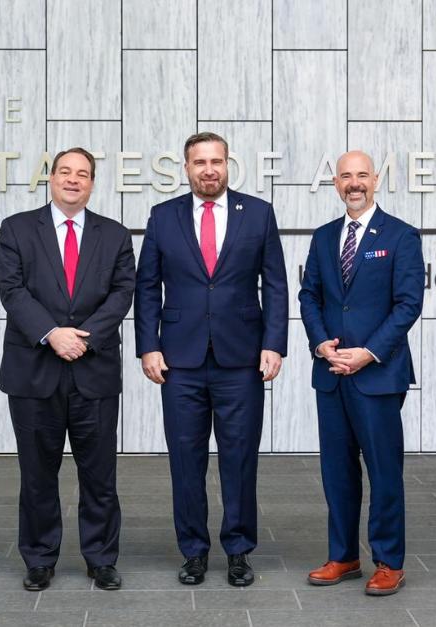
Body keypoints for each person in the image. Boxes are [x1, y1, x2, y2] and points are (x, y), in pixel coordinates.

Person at [134, 132, 288, 587]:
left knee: (240, 459)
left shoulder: (257, 213)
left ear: (228, 164)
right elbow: (147, 287)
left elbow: (275, 284)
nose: (208, 169)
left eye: (216, 161)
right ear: (185, 168)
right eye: (199, 162)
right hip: (179, 361)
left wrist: (273, 343)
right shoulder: (163, 218)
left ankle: (238, 550)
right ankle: (194, 551)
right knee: (186, 459)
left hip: (241, 359)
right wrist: (149, 345)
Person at [0, 147, 135, 591]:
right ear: (50, 178)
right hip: (34, 370)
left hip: (93, 370)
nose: (73, 180)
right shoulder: (17, 229)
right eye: (65, 172)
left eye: (83, 174)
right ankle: (39, 559)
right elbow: (12, 291)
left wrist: (82, 336)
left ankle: (101, 558)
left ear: (92, 183)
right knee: (37, 474)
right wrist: (52, 333)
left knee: (100, 474)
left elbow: (121, 293)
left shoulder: (114, 235)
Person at [298, 150, 425, 596]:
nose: (355, 183)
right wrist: (320, 343)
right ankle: (344, 556)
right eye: (346, 176)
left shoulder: (402, 236)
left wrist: (368, 353)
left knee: (383, 470)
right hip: (330, 372)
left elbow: (408, 304)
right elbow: (309, 295)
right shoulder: (324, 236)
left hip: (377, 375)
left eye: (362, 175)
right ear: (335, 183)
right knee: (337, 470)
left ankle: (389, 561)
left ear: (376, 180)